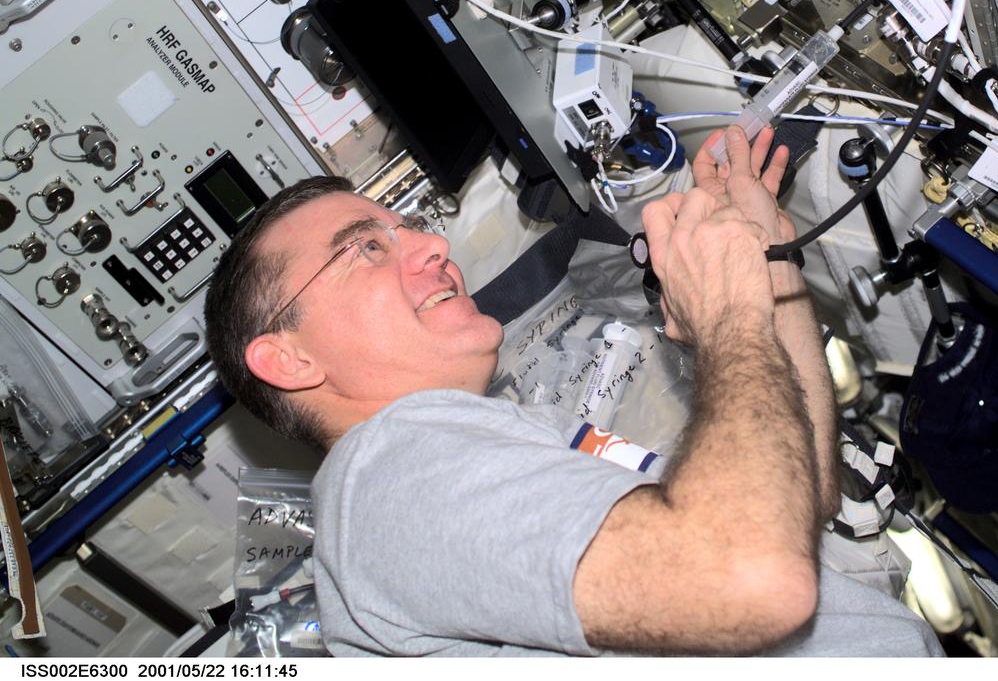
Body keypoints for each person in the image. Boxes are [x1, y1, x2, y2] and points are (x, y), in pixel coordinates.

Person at [203, 125, 943, 657]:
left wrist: (769, 269)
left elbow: (797, 495)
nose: (432, 246)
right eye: (366, 247)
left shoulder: (489, 439)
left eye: (407, 228)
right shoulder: (391, 476)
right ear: (289, 359)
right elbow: (753, 577)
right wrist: (725, 314)